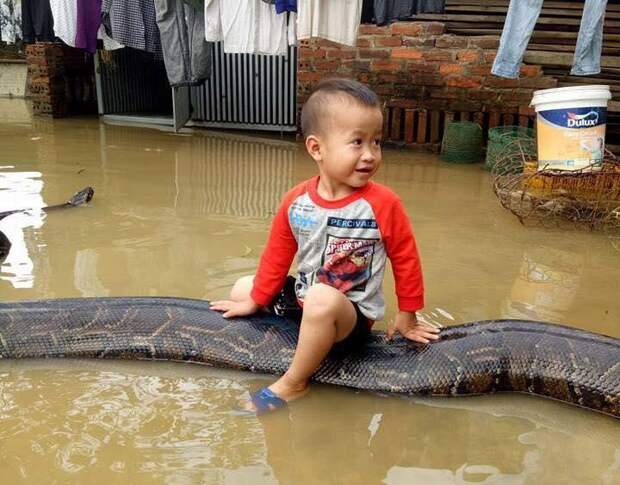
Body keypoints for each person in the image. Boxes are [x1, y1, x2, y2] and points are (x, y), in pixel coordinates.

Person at [210, 78, 439, 414]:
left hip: (349, 316)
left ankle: (293, 383)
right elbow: (277, 256)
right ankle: (299, 344)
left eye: (376, 142)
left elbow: (406, 259)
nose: (370, 155)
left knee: (321, 298)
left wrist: (408, 315)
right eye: (357, 142)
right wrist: (256, 300)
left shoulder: (383, 203)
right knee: (242, 288)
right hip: (306, 299)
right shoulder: (296, 201)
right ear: (317, 148)